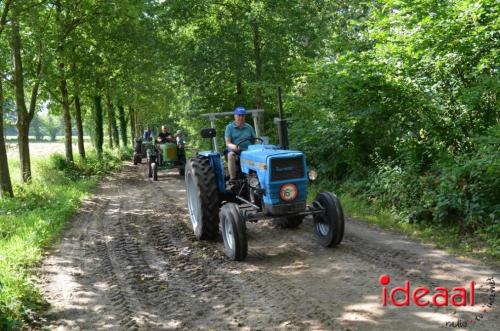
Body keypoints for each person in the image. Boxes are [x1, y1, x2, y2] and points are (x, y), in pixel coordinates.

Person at [225, 106, 256, 181]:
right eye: (239, 115)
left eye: (242, 115)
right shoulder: (229, 127)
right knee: (230, 155)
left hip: (248, 150)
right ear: (235, 116)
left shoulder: (249, 127)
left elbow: (255, 140)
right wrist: (235, 147)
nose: (241, 117)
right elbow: (228, 143)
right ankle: (233, 179)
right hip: (236, 150)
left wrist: (257, 146)